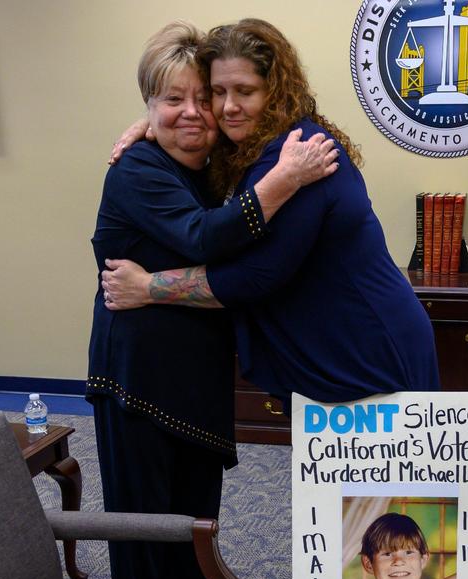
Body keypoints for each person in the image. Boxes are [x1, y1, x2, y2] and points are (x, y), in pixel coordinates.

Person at [88, 21, 336, 579]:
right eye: (173, 100)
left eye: (204, 97)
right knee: (148, 539)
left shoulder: (211, 164)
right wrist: (286, 178)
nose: (197, 112)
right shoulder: (136, 170)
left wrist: (155, 118)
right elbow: (203, 237)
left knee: (195, 534)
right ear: (149, 104)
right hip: (140, 383)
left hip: (195, 380)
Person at [101, 18, 439, 409]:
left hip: (369, 345)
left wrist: (147, 287)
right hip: (341, 341)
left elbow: (253, 276)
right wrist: (156, 122)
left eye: (245, 91)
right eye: (218, 92)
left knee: (384, 471)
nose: (228, 107)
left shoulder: (296, 156)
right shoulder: (248, 150)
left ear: (276, 92)